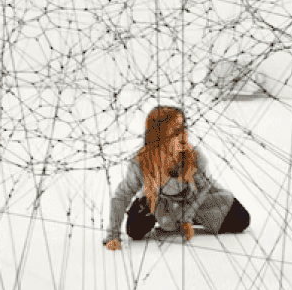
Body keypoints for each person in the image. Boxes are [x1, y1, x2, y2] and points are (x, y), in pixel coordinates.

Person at [103, 105, 250, 250]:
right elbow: (121, 195)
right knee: (135, 230)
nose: (184, 134)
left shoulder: (194, 155)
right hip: (157, 201)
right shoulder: (141, 162)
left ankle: (183, 219)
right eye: (177, 131)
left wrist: (187, 217)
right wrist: (112, 235)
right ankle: (165, 216)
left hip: (193, 199)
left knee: (241, 219)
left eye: (184, 128)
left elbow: (203, 187)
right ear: (159, 136)